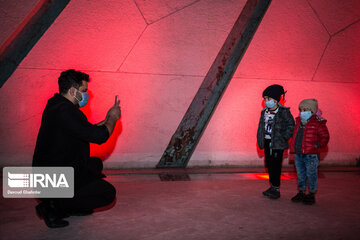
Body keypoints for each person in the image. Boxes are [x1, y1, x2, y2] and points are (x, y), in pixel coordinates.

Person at [33, 69, 121, 228]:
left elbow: (87, 130)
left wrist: (108, 118)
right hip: (52, 181)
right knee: (107, 193)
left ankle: (72, 204)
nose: (86, 95)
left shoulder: (56, 104)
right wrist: (114, 118)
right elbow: (99, 137)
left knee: (95, 164)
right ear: (73, 90)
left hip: (50, 174)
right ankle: (52, 207)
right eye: (84, 91)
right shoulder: (66, 111)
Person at [257, 84, 295, 199]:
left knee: (276, 166)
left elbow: (291, 125)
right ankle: (272, 186)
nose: (266, 101)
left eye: (269, 99)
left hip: (277, 143)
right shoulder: (264, 112)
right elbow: (261, 126)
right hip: (267, 142)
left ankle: (276, 188)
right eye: (265, 99)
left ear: (276, 99)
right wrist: (260, 138)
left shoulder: (284, 112)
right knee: (269, 164)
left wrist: (284, 137)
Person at [290, 99, 329, 205]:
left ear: (312, 111)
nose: (302, 112)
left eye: (305, 110)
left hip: (311, 155)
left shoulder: (318, 123)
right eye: (301, 109)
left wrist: (317, 145)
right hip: (299, 154)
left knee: (311, 174)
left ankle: (311, 194)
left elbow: (325, 137)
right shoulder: (298, 122)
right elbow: (295, 136)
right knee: (300, 174)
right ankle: (301, 192)